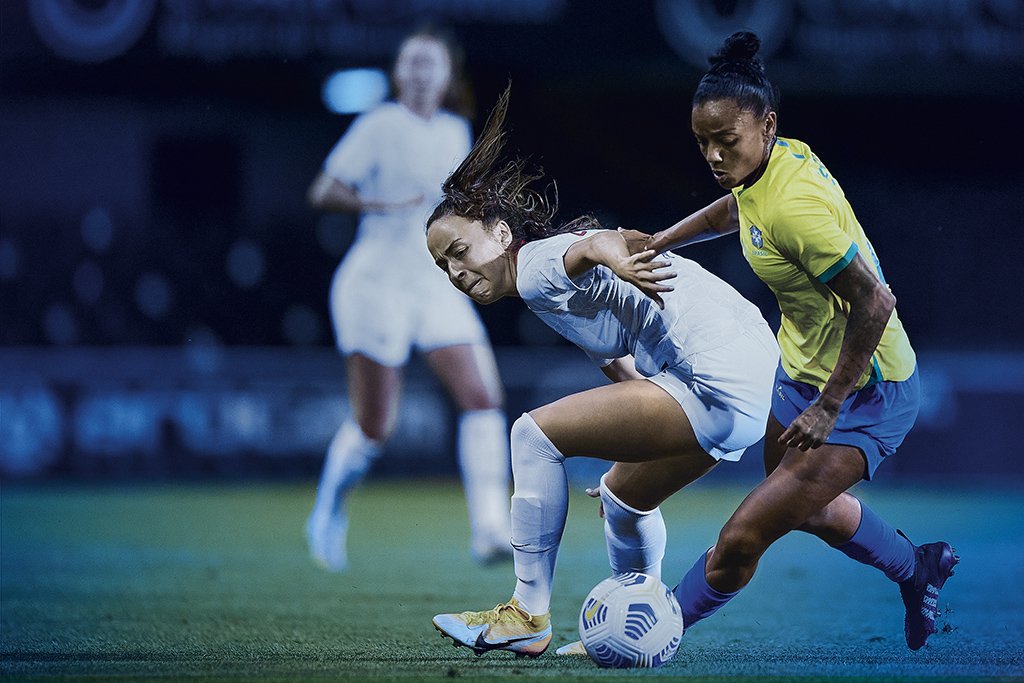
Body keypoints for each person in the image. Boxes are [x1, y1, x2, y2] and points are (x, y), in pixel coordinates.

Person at [615, 31, 958, 651]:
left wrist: (830, 405)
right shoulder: (771, 163)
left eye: (727, 141)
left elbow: (876, 300)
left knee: (746, 533)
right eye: (702, 143)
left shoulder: (794, 208)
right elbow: (734, 210)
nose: (715, 157)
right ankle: (917, 567)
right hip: (799, 374)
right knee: (804, 506)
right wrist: (662, 240)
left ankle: (654, 630)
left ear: (767, 124)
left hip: (866, 392)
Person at [426, 85, 780, 657]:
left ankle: (526, 614)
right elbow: (624, 373)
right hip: (739, 381)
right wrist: (635, 445)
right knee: (623, 497)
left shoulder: (537, 266)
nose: (454, 272)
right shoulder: (552, 295)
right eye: (443, 265)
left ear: (499, 232)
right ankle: (641, 625)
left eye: (459, 251)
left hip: (714, 371)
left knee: (530, 435)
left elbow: (594, 243)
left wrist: (614, 252)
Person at [305, 26, 512, 572]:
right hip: (374, 283)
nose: (420, 72)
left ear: (447, 76)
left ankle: (489, 528)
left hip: (432, 282)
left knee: (483, 397)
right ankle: (327, 511)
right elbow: (323, 190)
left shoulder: (455, 131)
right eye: (412, 63)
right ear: (399, 73)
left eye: (431, 64)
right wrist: (372, 202)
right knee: (376, 425)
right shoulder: (379, 124)